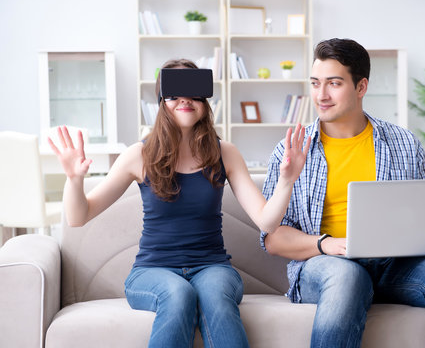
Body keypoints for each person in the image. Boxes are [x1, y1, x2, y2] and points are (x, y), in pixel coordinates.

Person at [48, 58, 311, 348]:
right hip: (152, 271)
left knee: (214, 296)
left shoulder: (226, 153)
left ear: (205, 101)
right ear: (162, 101)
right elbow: (78, 216)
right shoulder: (139, 155)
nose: (184, 100)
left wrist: (287, 181)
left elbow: (266, 221)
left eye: (193, 92)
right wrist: (73, 179)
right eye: (174, 94)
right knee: (178, 294)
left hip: (213, 267)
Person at [261, 39, 425, 347]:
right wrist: (327, 245)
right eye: (315, 83)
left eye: (334, 83)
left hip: (396, 268)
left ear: (361, 86)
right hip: (326, 267)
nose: (321, 95)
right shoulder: (290, 151)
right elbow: (272, 238)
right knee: (347, 278)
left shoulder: (404, 143)